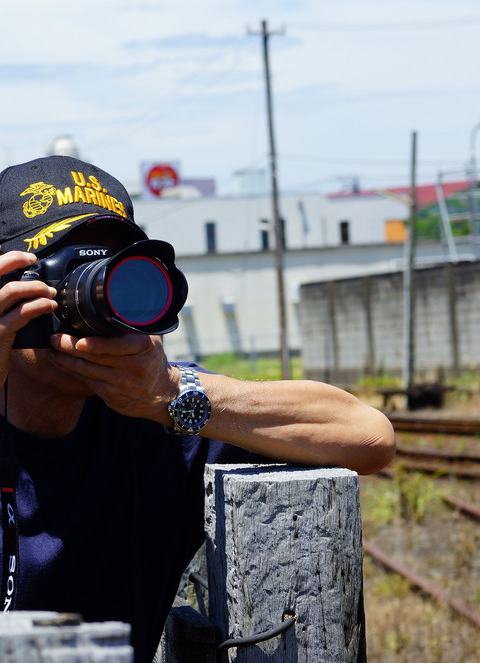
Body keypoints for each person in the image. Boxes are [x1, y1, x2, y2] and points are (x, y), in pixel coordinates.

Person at [0, 155, 395, 662]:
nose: (89, 302)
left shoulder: (148, 402)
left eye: (108, 271)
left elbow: (368, 436)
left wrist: (171, 395)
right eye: (60, 271)